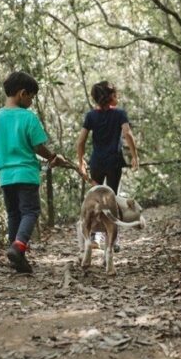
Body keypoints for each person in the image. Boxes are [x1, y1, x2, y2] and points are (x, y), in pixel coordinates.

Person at [0, 71, 60, 273]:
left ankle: (17, 258)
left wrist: (1, 154)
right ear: (22, 93)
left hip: (5, 175)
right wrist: (51, 157)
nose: (31, 102)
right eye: (31, 97)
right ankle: (18, 246)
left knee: (13, 213)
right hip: (26, 173)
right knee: (30, 211)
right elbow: (38, 146)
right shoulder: (27, 117)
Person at [75, 81, 139, 250]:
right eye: (115, 94)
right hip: (114, 162)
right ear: (110, 97)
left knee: (94, 198)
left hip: (96, 162)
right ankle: (113, 240)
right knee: (112, 199)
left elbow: (81, 141)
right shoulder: (119, 114)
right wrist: (134, 156)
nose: (117, 97)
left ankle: (94, 237)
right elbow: (128, 134)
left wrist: (80, 160)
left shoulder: (91, 116)